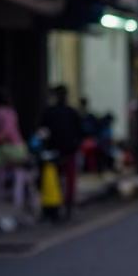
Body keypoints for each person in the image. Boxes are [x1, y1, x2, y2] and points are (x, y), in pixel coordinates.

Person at [40, 85, 83, 214]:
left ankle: (58, 204)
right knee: (67, 180)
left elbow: (42, 131)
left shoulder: (50, 112)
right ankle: (66, 204)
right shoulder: (71, 112)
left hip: (55, 152)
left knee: (56, 179)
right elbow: (80, 132)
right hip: (67, 151)